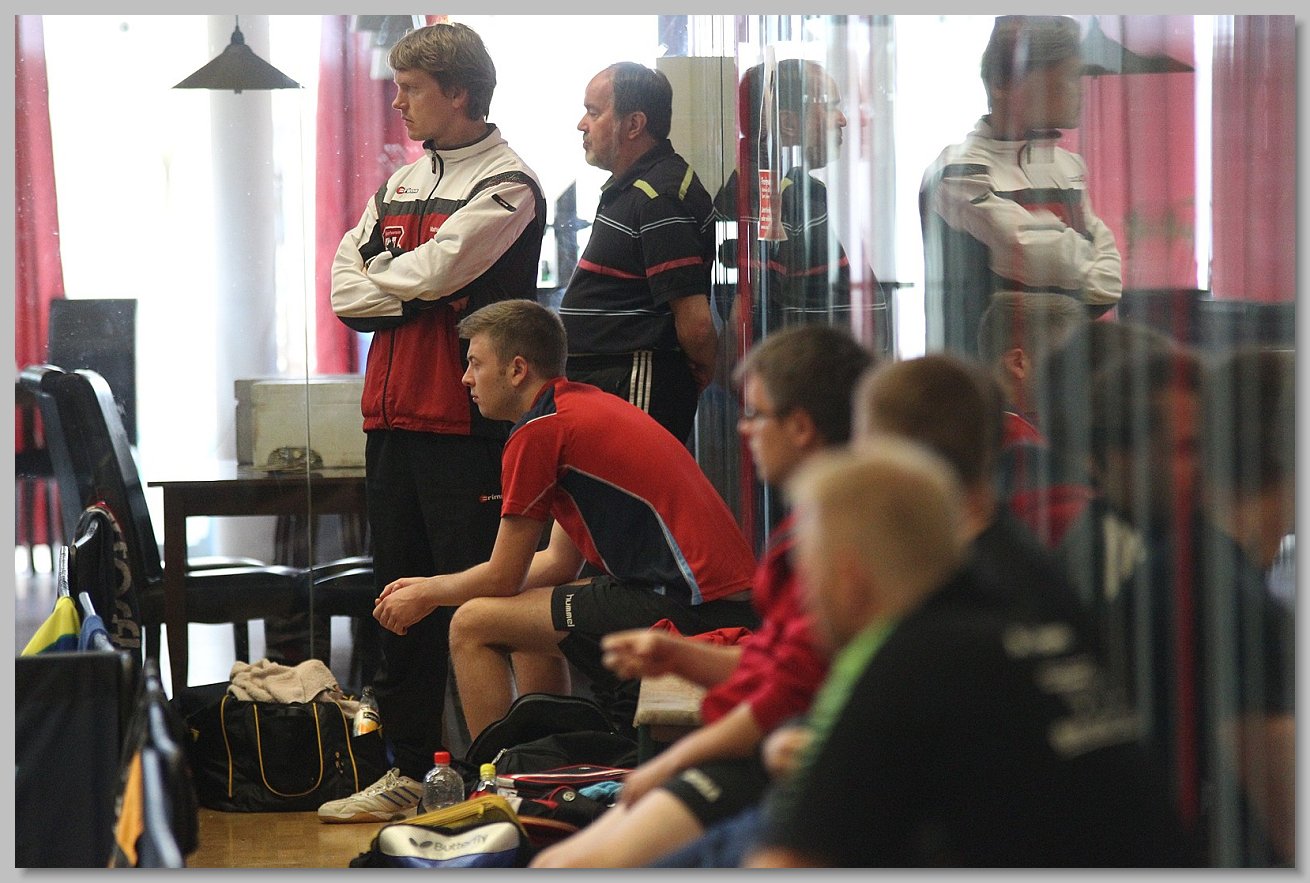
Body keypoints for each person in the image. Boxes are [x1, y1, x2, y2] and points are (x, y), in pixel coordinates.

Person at [743, 439, 1190, 867]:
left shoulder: (908, 660)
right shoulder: (1015, 619)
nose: (805, 599)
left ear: (849, 581)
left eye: (808, 574)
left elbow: (788, 863)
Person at [530, 324, 874, 868]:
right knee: (552, 860)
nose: (743, 428)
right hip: (763, 750)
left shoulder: (840, 539)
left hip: (778, 766)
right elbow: (775, 664)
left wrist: (669, 764)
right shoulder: (809, 525)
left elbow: (785, 694)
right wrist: (679, 655)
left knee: (564, 866)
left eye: (756, 414)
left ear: (801, 427)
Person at [320, 21, 546, 824]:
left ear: (458, 92)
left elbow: (442, 269)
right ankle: (409, 771)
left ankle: (506, 780)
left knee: (482, 610)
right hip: (390, 420)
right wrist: (408, 288)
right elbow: (344, 287)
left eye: (411, 89)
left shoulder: (510, 182)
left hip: (466, 422)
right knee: (400, 606)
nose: (398, 103)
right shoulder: (401, 184)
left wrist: (397, 281)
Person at [371, 299, 758, 747]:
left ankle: (491, 776)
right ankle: (544, 761)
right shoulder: (575, 409)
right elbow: (557, 563)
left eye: (475, 363)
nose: (466, 378)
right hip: (717, 600)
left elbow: (502, 576)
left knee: (471, 623)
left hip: (692, 608)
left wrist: (427, 592)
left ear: (517, 370)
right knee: (520, 611)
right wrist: (441, 588)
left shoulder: (541, 430)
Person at [921, 14, 1121, 356]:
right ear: (1003, 83)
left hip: (1063, 365)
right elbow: (1040, 256)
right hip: (986, 370)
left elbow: (1109, 282)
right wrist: (1080, 266)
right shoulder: (959, 172)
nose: (1079, 90)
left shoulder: (1068, 167)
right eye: (1067, 77)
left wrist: (1071, 269)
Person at [557, 62, 718, 445]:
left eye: (594, 112)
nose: (582, 125)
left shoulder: (659, 196)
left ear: (633, 124)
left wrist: (704, 367)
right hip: (613, 381)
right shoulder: (636, 187)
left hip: (635, 380)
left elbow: (695, 323)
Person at [714, 58, 890, 353]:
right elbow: (746, 321)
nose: (842, 120)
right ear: (789, 124)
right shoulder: (763, 196)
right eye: (830, 106)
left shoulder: (796, 189)